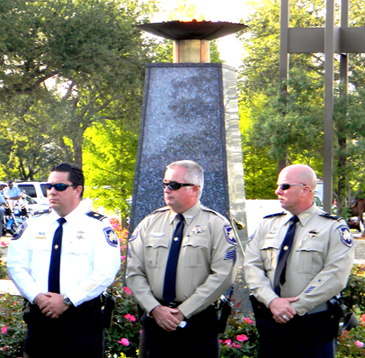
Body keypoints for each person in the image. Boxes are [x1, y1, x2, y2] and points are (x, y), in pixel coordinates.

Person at [7, 163, 121, 358]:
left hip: (81, 322)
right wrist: (37, 297)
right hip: (40, 320)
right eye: (48, 186)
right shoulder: (33, 224)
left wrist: (68, 300)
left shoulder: (97, 226)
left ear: (78, 190)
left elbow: (105, 272)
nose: (51, 192)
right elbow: (16, 265)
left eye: (59, 187)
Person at [126, 160, 237, 358]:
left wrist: (183, 311)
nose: (167, 189)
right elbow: (134, 272)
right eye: (165, 184)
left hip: (198, 323)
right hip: (155, 323)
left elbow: (223, 275)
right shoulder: (149, 223)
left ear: (194, 189)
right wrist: (155, 308)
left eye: (174, 185)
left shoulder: (216, 225)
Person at [244, 164, 354, 358]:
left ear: (305, 190)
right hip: (271, 327)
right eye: (278, 186)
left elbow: (335, 276)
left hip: (312, 328)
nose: (277, 191)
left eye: (285, 186)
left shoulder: (333, 228)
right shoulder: (267, 224)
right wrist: (272, 302)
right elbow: (252, 266)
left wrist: (292, 308)